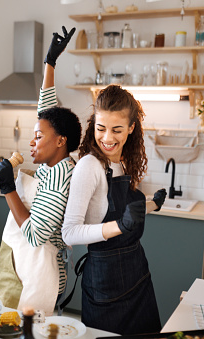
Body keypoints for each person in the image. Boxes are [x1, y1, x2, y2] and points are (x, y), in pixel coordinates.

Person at [60, 85, 167, 335]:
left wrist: (152, 204)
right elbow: (70, 233)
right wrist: (119, 226)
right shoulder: (90, 166)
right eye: (101, 128)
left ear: (131, 128)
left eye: (117, 130)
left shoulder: (124, 162)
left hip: (137, 274)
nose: (107, 138)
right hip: (104, 284)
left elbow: (128, 215)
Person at [0, 26, 81, 316]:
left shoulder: (59, 177)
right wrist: (50, 62)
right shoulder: (56, 163)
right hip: (28, 267)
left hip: (41, 275)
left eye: (38, 137)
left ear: (60, 141)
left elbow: (33, 235)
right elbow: (46, 111)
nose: (32, 141)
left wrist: (8, 189)